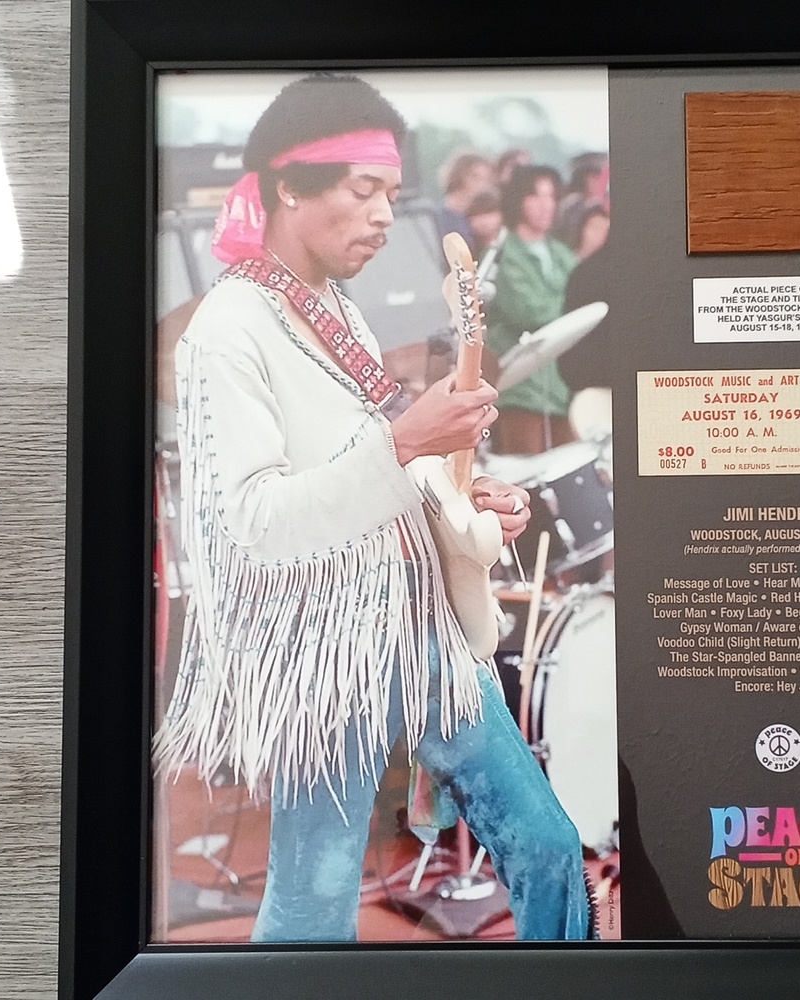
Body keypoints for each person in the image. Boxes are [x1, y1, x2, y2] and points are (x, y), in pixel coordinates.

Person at [153, 72, 593, 944]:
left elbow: (383, 474)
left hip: (419, 622)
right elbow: (256, 522)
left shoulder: (337, 311)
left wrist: (467, 500)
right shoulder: (224, 331)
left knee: (546, 846)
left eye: (393, 193)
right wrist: (403, 443)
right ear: (289, 186)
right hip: (327, 655)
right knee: (313, 905)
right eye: (364, 190)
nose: (388, 214)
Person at [485, 165, 578, 455]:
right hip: (520, 391)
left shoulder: (561, 253)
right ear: (518, 201)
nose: (545, 205)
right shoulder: (503, 253)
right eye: (535, 196)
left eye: (551, 197)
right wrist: (574, 309)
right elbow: (530, 312)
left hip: (563, 389)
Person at [436, 151, 495, 248]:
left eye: (487, 179)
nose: (483, 185)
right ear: (458, 176)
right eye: (476, 177)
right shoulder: (438, 219)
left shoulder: (478, 221)